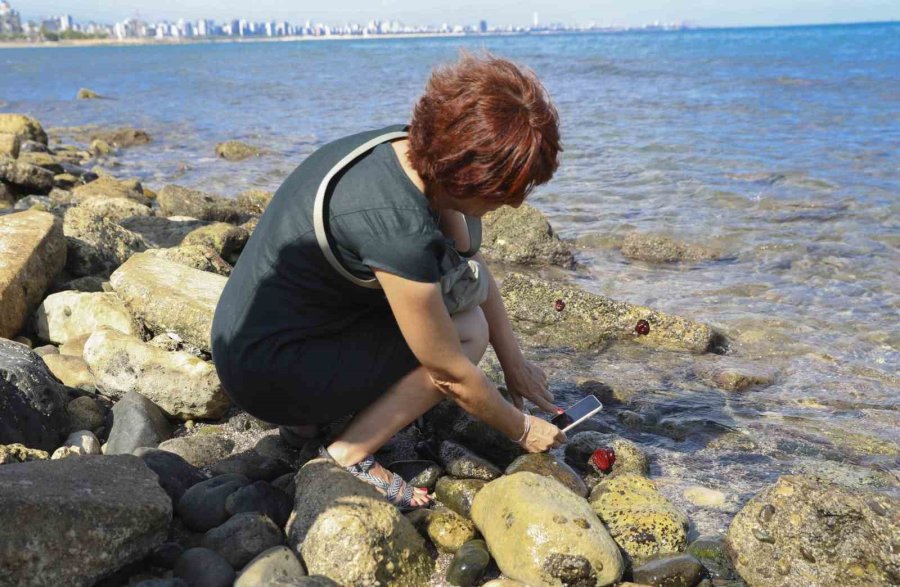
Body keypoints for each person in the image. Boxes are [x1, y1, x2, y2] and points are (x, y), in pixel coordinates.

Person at [210, 50, 566, 510]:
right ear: (467, 178)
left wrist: (513, 361)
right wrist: (521, 429)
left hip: (261, 335)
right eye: (509, 192)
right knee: (466, 332)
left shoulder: (412, 152)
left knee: (462, 312)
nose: (516, 205)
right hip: (267, 373)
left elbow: (468, 268)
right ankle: (348, 452)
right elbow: (449, 372)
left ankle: (313, 422)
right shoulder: (398, 229)